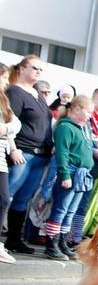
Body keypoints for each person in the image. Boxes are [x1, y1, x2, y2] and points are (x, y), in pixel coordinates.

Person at [5, 55, 53, 254]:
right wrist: (13, 148)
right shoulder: (15, 92)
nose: (38, 72)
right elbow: (9, 121)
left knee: (23, 199)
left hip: (40, 155)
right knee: (6, 195)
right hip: (23, 152)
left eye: (41, 69)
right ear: (23, 68)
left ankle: (13, 239)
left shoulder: (36, 93)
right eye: (35, 68)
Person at [44, 95, 94, 261]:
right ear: (77, 109)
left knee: (71, 210)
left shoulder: (83, 127)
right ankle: (51, 243)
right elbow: (62, 153)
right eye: (88, 111)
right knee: (61, 208)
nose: (90, 115)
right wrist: (65, 175)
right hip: (71, 172)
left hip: (81, 174)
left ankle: (63, 241)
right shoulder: (66, 127)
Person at [70, 88, 98, 246]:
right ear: (92, 100)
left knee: (89, 202)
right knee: (77, 200)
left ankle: (77, 234)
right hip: (84, 163)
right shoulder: (86, 119)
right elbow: (86, 143)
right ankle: (71, 235)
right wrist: (95, 151)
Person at [0, 63, 21, 264]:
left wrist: (6, 130)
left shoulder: (3, 100)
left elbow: (16, 124)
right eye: (4, 78)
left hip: (1, 158)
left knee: (4, 199)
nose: (7, 82)